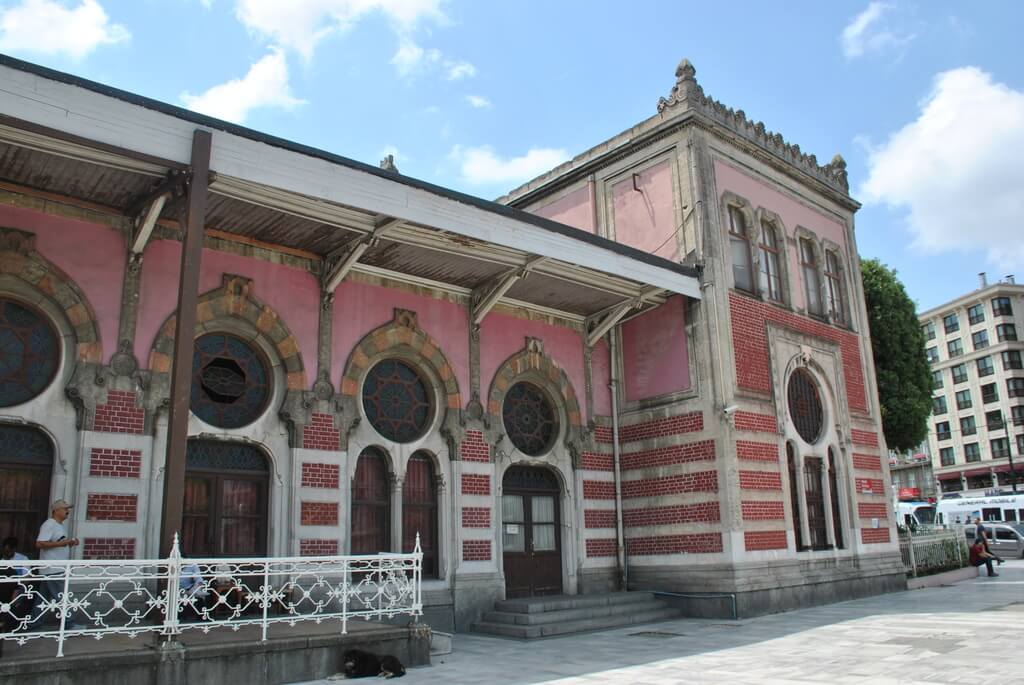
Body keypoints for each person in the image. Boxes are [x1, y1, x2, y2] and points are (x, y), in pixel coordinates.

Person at [33, 499, 80, 628]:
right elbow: (40, 543)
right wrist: (63, 543)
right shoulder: (49, 524)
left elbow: (57, 545)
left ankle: (33, 624)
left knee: (42, 599)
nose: (67, 511)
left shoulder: (58, 526)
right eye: (65, 509)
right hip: (53, 568)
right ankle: (69, 624)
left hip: (54, 568)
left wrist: (69, 543)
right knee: (63, 597)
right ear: (56, 510)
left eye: (68, 509)